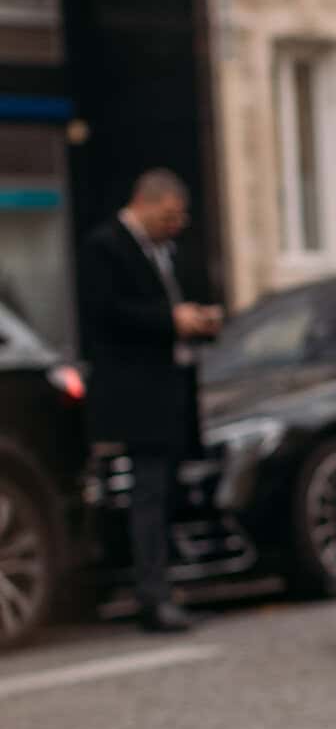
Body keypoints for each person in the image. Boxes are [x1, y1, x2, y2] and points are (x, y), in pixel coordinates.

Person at [82, 169, 221, 634]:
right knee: (148, 495)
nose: (174, 225)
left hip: (170, 390)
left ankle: (162, 589)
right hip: (136, 396)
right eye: (168, 215)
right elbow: (106, 316)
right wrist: (172, 320)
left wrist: (200, 318)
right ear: (144, 202)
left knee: (163, 497)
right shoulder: (105, 246)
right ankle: (152, 597)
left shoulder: (167, 250)